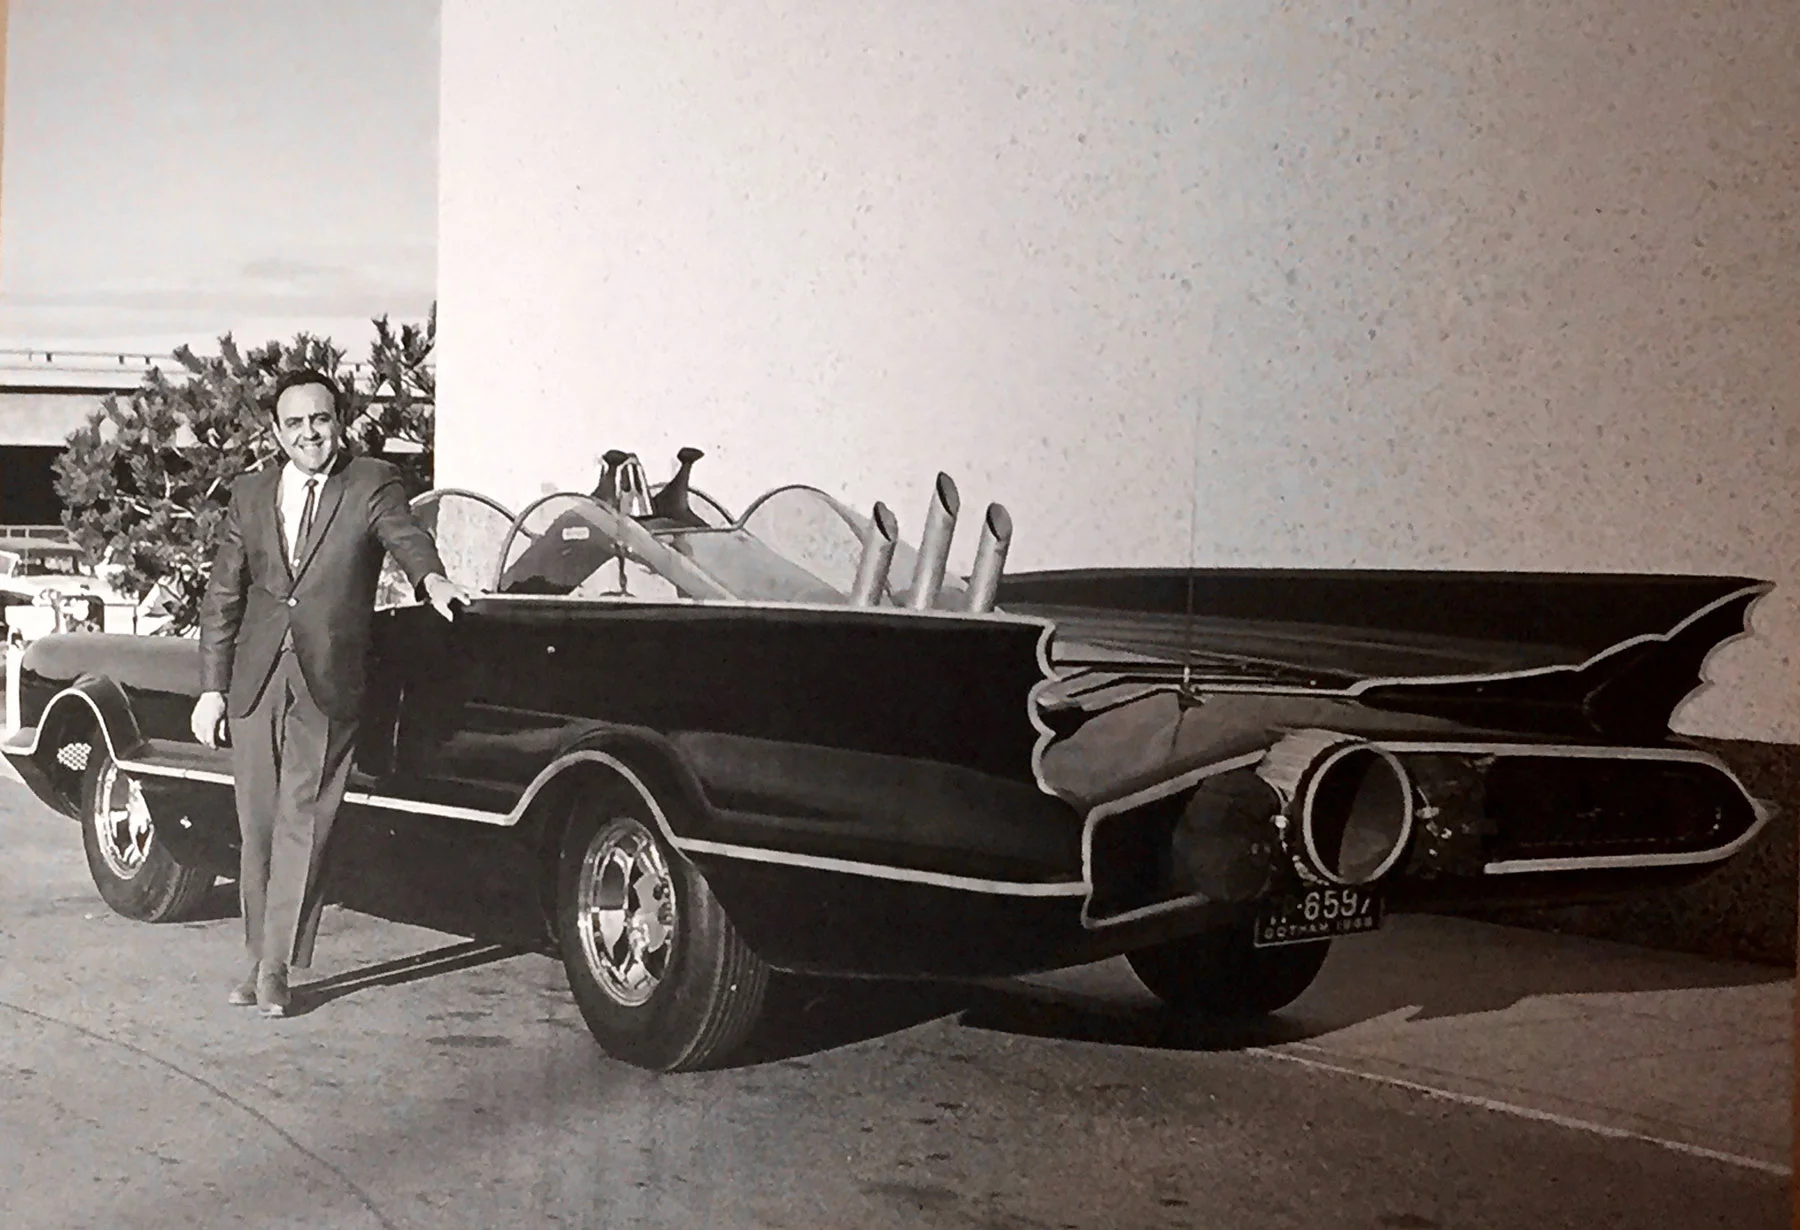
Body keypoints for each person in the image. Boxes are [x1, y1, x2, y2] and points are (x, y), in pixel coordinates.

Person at [192, 368, 476, 1017]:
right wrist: (211, 689)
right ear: (276, 432)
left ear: (338, 421)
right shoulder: (251, 493)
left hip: (329, 675)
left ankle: (274, 967)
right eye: (294, 423)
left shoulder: (371, 482)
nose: (309, 433)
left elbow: (408, 539)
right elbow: (222, 595)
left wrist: (433, 583)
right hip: (255, 678)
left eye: (320, 419)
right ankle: (259, 952)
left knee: (305, 820)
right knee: (257, 823)